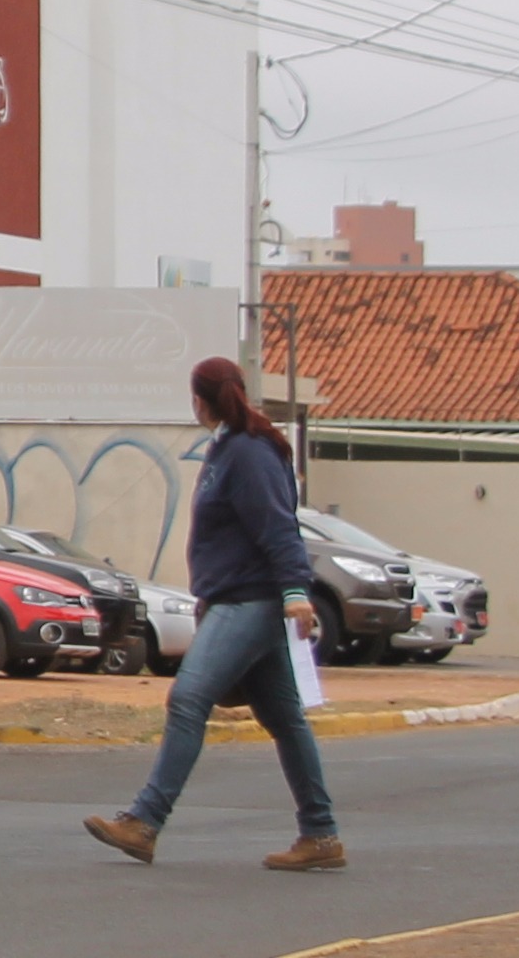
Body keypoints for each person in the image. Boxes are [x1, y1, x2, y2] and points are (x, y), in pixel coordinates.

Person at [85, 356, 343, 873]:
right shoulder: (228, 447)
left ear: (199, 399)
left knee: (189, 698)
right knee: (284, 719)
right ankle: (320, 834)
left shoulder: (249, 452)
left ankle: (145, 820)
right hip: (232, 597)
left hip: (251, 600)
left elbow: (278, 526)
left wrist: (295, 589)